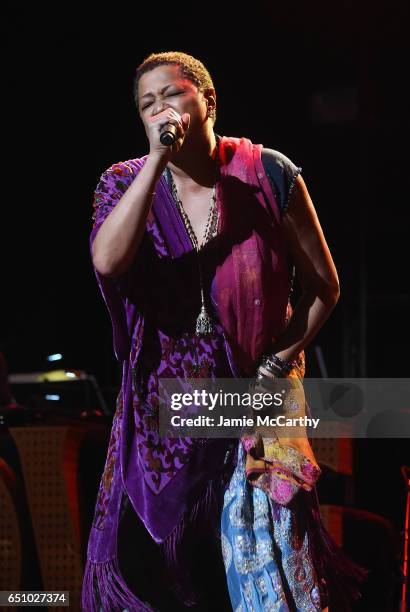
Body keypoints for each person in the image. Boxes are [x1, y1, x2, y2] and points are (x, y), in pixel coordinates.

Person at [82, 51, 366, 611]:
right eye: (147, 104)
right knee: (178, 583)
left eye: (173, 93)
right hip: (165, 418)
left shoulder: (268, 175)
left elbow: (325, 288)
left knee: (259, 577)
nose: (161, 107)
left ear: (207, 100)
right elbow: (109, 262)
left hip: (252, 403)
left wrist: (278, 362)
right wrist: (155, 166)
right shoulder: (123, 182)